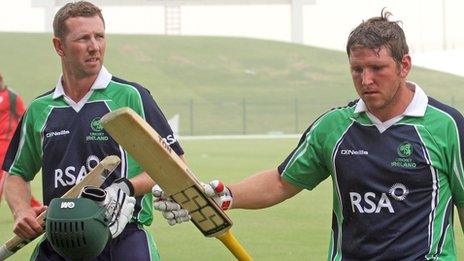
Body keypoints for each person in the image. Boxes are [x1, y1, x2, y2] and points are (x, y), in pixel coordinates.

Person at [155, 10, 464, 259]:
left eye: (377, 67)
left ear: (404, 65)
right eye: (357, 69)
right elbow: (281, 181)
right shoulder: (333, 127)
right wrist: (226, 197)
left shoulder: (446, 126)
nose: (366, 79)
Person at [2, 1, 183, 260]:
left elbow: (173, 164)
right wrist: (22, 211)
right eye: (83, 38)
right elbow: (17, 173)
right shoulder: (40, 109)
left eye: (99, 36)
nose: (94, 46)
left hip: (122, 240)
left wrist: (127, 187)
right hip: (58, 239)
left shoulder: (130, 97)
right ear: (59, 46)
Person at [0, 72, 42, 208]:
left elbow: (24, 119)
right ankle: (36, 208)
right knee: (16, 186)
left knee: (5, 180)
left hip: (7, 144)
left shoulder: (12, 97)